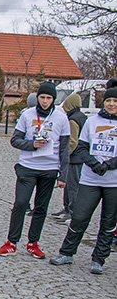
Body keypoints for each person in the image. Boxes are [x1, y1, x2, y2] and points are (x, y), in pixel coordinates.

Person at [50, 79, 117, 275]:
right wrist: (93, 163)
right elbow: (81, 147)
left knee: (108, 222)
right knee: (79, 217)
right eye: (108, 100)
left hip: (113, 182)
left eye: (115, 101)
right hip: (90, 179)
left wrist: (109, 165)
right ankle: (67, 253)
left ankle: (98, 259)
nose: (111, 104)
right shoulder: (92, 121)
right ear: (103, 102)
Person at [0, 82, 70, 259]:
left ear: (53, 99)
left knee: (41, 207)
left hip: (49, 169)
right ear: (37, 98)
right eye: (42, 97)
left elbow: (65, 149)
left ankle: (33, 243)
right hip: (27, 167)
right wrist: (32, 144)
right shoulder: (27, 115)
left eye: (48, 98)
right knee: (21, 203)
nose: (45, 101)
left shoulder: (61, 118)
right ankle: (11, 242)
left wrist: (63, 175)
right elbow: (15, 140)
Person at [50, 93, 87, 224]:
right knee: (70, 186)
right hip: (78, 158)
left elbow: (72, 141)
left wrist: (63, 156)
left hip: (75, 159)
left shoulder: (73, 120)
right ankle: (67, 209)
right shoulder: (82, 117)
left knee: (72, 186)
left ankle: (71, 212)